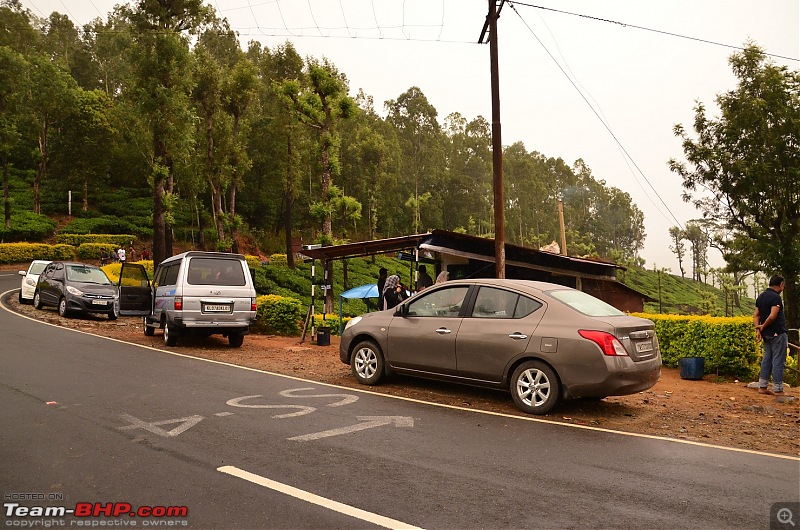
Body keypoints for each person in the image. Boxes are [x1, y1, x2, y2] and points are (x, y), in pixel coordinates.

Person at [753, 275, 788, 395]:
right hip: (777, 332)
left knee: (767, 358)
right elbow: (773, 316)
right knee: (778, 359)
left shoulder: (761, 296)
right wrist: (762, 326)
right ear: (781, 284)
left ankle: (762, 386)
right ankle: (778, 389)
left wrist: (759, 329)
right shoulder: (775, 298)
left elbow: (756, 315)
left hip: (766, 334)